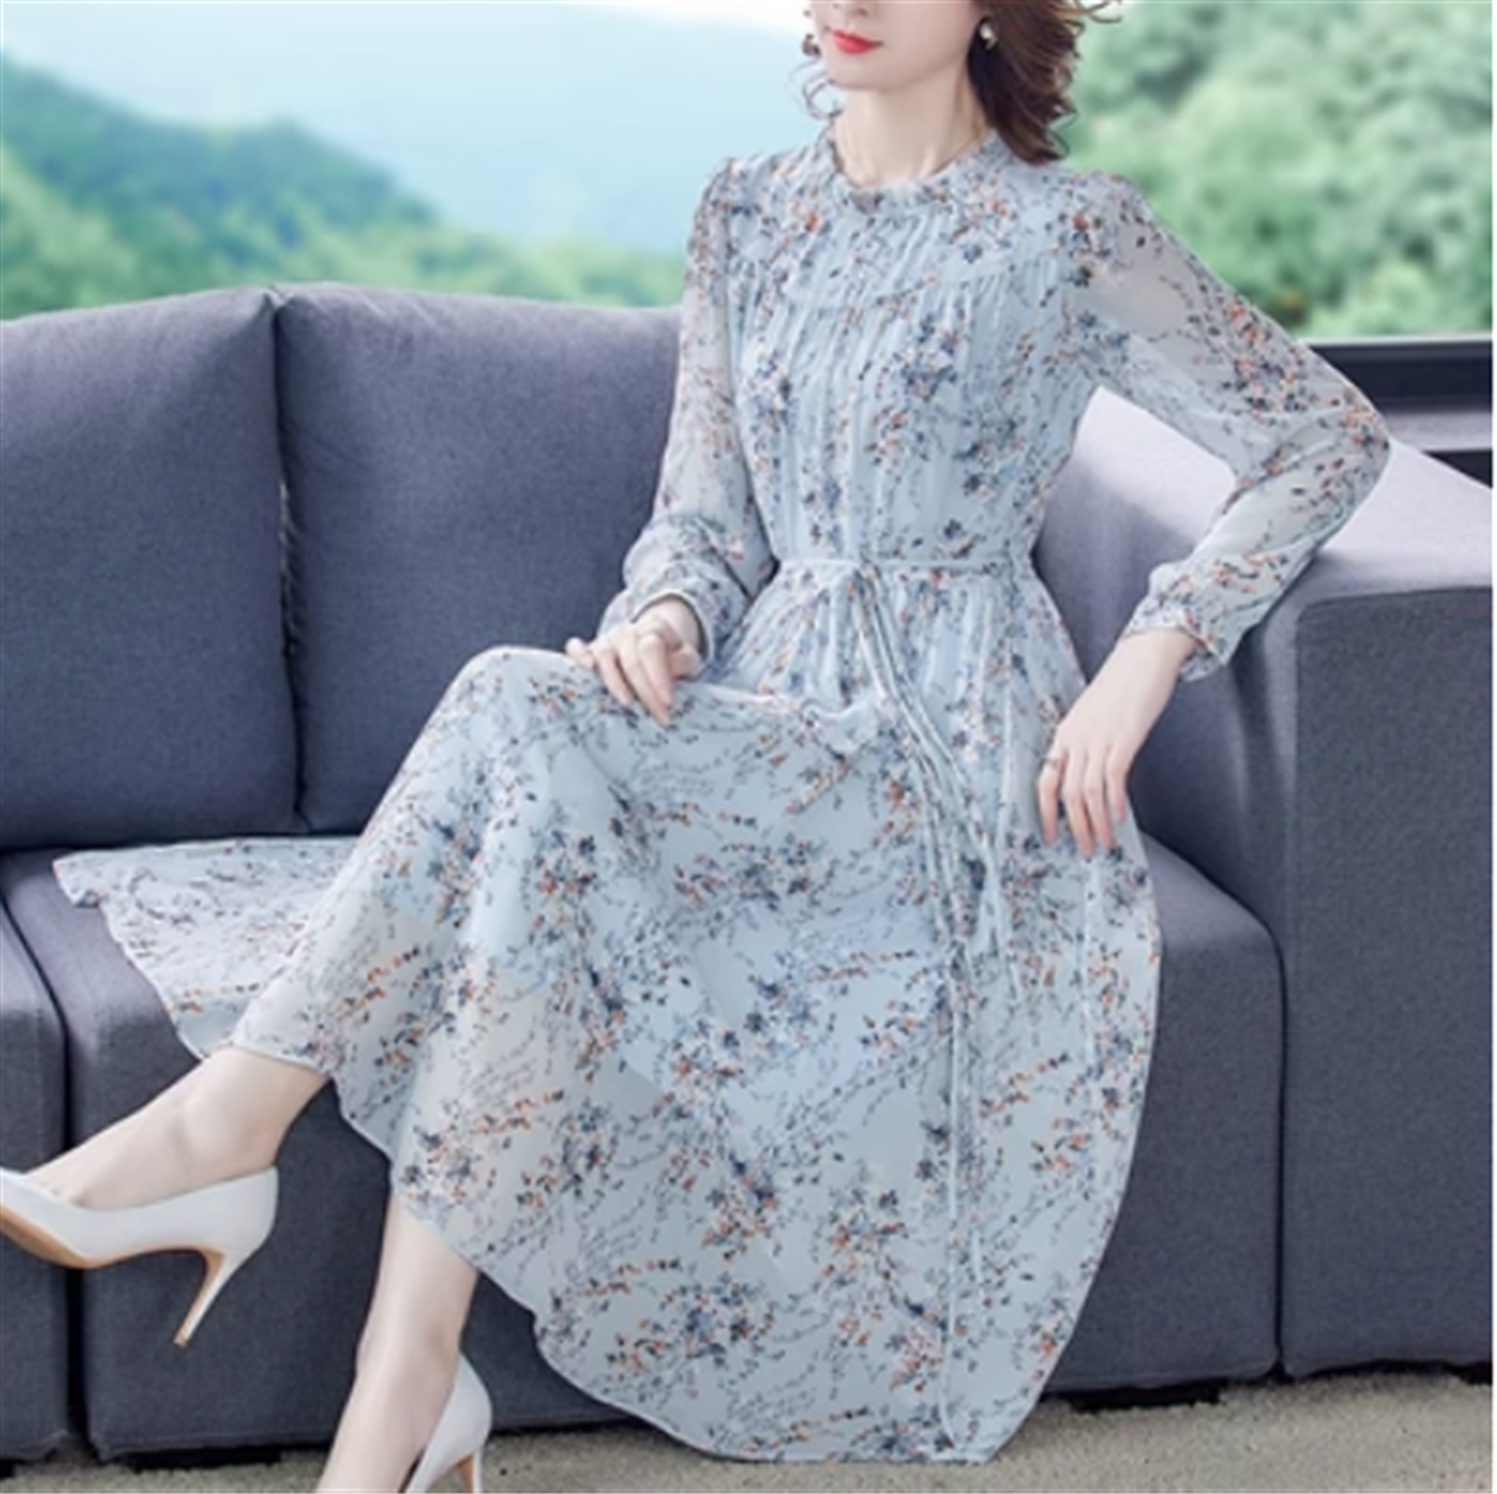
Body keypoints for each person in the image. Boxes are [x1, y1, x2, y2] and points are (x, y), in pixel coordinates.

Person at [0, 0, 1392, 1485]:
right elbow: (708, 516)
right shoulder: (748, 211)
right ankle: (400, 1373)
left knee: (510, 713)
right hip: (764, 714)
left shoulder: (1071, 234)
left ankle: (247, 1159)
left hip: (949, 762)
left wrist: (1151, 651)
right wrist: (664, 620)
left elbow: (1327, 436)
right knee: (531, 752)